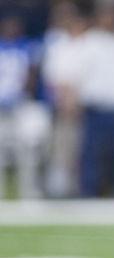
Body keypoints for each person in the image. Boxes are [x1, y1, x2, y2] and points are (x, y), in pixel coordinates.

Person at [77, 3, 114, 196]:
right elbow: (77, 74)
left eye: (113, 14)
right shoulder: (87, 41)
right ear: (99, 17)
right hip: (95, 107)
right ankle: (89, 193)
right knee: (91, 153)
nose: (110, 18)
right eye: (106, 15)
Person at [0, 14, 49, 199]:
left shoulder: (27, 47)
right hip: (2, 105)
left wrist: (23, 94)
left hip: (21, 105)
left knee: (27, 151)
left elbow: (32, 74)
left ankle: (27, 192)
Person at [42, 3, 88, 198]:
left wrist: (78, 98)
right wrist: (65, 100)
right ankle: (59, 192)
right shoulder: (56, 43)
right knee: (62, 149)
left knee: (83, 151)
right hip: (63, 105)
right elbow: (52, 77)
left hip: (86, 105)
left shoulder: (89, 43)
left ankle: (82, 190)